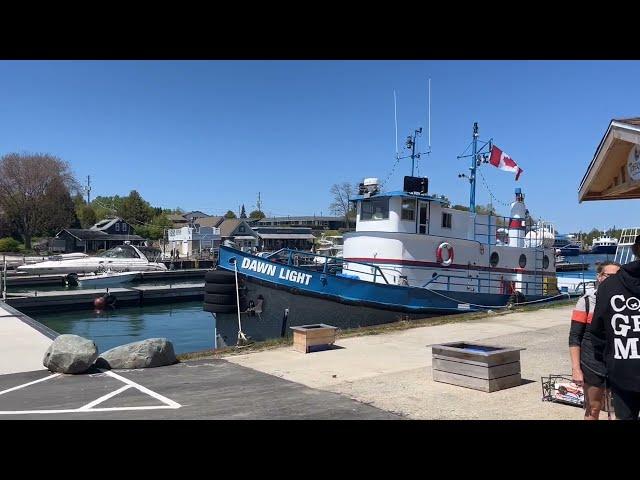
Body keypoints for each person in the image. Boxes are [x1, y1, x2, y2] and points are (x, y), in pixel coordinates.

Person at [591, 235, 640, 420]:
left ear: (634, 250)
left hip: (621, 370)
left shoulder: (608, 286)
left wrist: (609, 359)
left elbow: (597, 331)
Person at [569, 261, 621, 420]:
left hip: (618, 362)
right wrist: (576, 369)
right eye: (608, 276)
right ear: (599, 277)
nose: (613, 279)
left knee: (623, 409)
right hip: (592, 363)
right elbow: (574, 337)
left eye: (618, 276)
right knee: (594, 407)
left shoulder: (626, 302)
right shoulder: (586, 301)